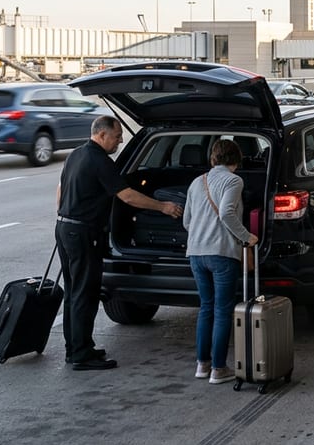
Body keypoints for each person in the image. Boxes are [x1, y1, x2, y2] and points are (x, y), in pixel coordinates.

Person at [56, 115, 183, 371]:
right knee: (85, 292)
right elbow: (127, 196)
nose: (119, 142)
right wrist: (164, 207)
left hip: (65, 227)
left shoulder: (77, 154)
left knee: (73, 291)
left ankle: (76, 348)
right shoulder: (100, 160)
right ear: (102, 135)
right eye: (116, 137)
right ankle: (81, 355)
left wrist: (67, 216)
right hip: (83, 233)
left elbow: (60, 190)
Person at [183, 139, 259, 385]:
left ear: (213, 158)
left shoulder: (197, 182)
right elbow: (227, 212)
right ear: (236, 160)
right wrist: (246, 237)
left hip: (195, 252)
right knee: (222, 310)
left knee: (206, 307)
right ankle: (218, 368)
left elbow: (187, 221)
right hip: (221, 253)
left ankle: (202, 365)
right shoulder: (234, 180)